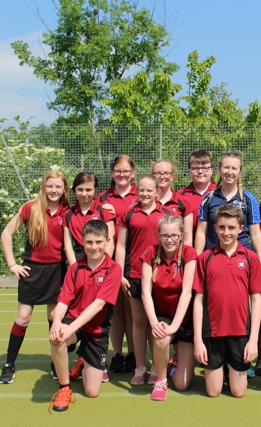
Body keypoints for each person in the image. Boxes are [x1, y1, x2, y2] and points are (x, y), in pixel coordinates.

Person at [194, 151, 261, 376]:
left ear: (240, 171)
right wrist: (197, 257)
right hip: (214, 259)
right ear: (219, 170)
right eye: (226, 167)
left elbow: (255, 232)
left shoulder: (249, 199)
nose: (229, 172)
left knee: (247, 307)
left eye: (234, 168)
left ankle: (255, 355)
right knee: (212, 306)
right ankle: (213, 354)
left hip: (241, 261)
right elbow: (201, 231)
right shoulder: (208, 199)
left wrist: (260, 257)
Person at [0, 170, 70, 384]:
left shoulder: (68, 211)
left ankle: (55, 362)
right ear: (43, 187)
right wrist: (12, 264)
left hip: (57, 271)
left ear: (65, 189)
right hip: (32, 270)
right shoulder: (30, 208)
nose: (54, 190)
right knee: (23, 317)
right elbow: (6, 234)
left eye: (58, 186)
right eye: (50, 186)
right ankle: (9, 363)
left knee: (54, 318)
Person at [192, 204, 261, 398]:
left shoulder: (250, 258)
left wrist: (253, 340)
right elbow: (198, 301)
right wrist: (198, 340)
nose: (226, 232)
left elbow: (256, 301)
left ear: (241, 228)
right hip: (212, 332)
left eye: (232, 227)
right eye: (222, 227)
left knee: (238, 392)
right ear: (215, 227)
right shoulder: (205, 258)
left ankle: (230, 368)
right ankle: (222, 368)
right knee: (213, 392)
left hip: (240, 332)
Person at [48, 220, 122, 412]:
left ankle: (82, 363)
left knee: (92, 391)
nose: (94, 247)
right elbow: (63, 301)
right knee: (56, 338)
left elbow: (98, 305)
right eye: (89, 242)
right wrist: (57, 322)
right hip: (74, 320)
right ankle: (64, 388)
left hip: (97, 329)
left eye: (98, 242)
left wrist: (70, 328)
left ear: (107, 242)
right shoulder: (75, 269)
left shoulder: (114, 269)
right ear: (82, 242)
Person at [116, 174, 171, 386]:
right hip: (135, 275)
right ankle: (140, 366)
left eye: (149, 190)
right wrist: (120, 274)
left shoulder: (166, 214)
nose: (145, 194)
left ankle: (157, 366)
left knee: (155, 323)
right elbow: (121, 246)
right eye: (141, 190)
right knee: (139, 321)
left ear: (158, 191)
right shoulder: (129, 213)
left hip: (159, 277)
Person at [141, 216, 197, 400]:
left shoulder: (189, 253)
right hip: (164, 316)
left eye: (174, 235)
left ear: (181, 235)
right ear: (159, 236)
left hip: (185, 320)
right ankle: (161, 379)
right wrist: (154, 323)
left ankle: (175, 364)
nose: (169, 240)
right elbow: (145, 292)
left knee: (181, 384)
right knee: (161, 339)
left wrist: (175, 326)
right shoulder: (150, 253)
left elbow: (187, 293)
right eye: (165, 235)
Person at [97, 154, 138, 374]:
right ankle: (117, 354)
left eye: (126, 171)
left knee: (132, 309)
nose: (122, 174)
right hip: (110, 259)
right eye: (118, 170)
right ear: (112, 173)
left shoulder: (140, 194)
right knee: (114, 310)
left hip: (135, 258)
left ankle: (133, 353)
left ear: (133, 172)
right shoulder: (103, 197)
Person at [63, 171, 115, 266]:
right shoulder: (68, 214)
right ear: (74, 189)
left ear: (95, 190)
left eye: (88, 190)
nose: (84, 194)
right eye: (80, 189)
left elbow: (111, 241)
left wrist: (103, 266)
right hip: (79, 261)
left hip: (101, 259)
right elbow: (68, 245)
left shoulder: (104, 210)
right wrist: (74, 268)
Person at [152, 159, 195, 246]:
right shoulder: (145, 202)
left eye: (166, 173)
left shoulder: (184, 203)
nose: (162, 176)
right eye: (158, 173)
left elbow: (187, 238)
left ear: (172, 176)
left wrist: (183, 254)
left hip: (174, 253)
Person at [176, 150, 216, 237]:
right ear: (189, 170)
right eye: (195, 168)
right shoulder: (180, 195)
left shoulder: (220, 193)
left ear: (211, 170)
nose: (200, 171)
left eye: (205, 168)